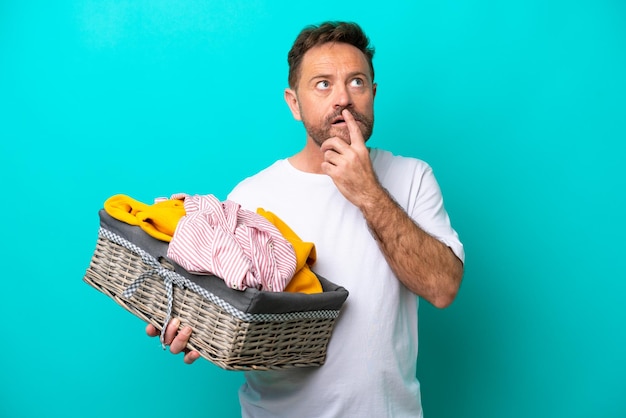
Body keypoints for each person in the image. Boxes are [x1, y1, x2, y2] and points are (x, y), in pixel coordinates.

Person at [147, 21, 464, 417]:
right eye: (323, 84)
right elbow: (229, 310)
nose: (343, 99)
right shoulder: (252, 196)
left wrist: (368, 192)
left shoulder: (412, 177)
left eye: (357, 82)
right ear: (293, 103)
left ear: (373, 94)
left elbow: (442, 288)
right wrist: (199, 330)